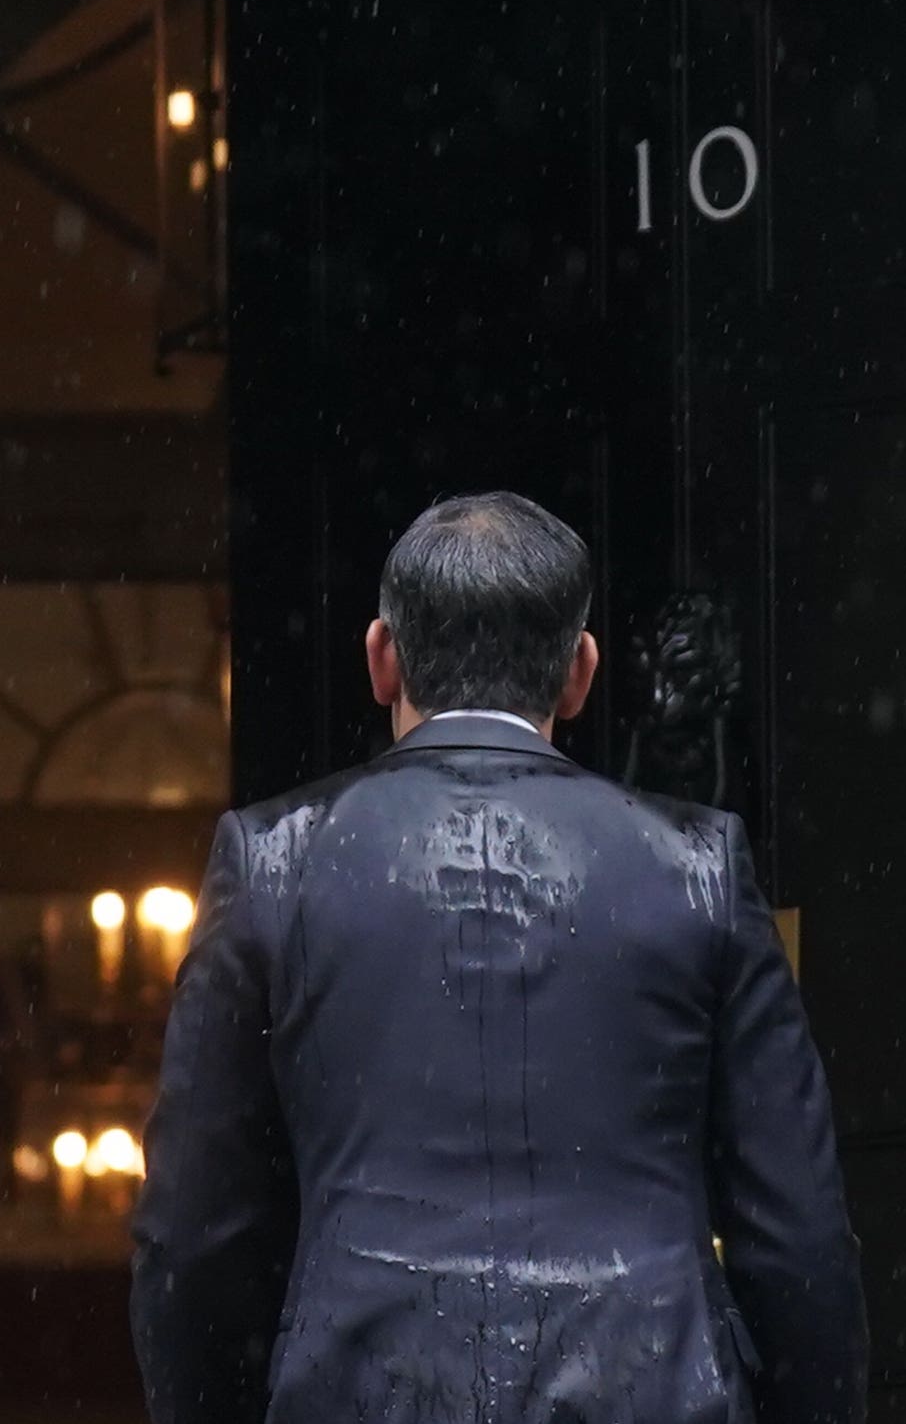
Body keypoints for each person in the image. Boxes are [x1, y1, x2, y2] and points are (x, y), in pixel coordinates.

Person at [131, 491, 866, 1424]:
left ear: (382, 658)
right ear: (579, 672)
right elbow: (797, 1242)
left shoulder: (274, 861)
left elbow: (193, 1239)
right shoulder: (698, 867)